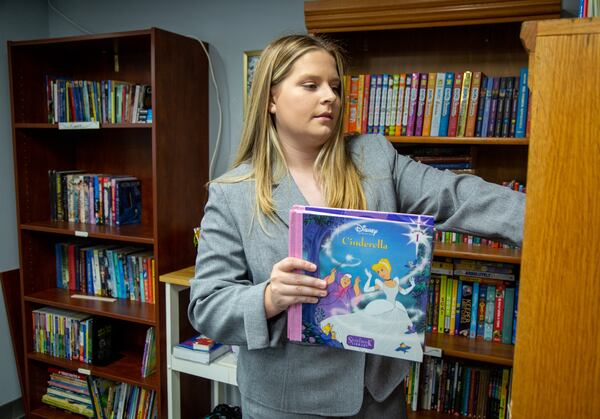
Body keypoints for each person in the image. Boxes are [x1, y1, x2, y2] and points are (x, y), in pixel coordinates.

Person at [188, 34, 524, 418]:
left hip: (378, 400)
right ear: (271, 99)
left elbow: (458, 195)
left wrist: (558, 221)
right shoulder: (233, 193)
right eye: (310, 85)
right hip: (287, 404)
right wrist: (268, 297)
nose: (329, 96)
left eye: (334, 86)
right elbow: (207, 306)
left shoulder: (375, 158)